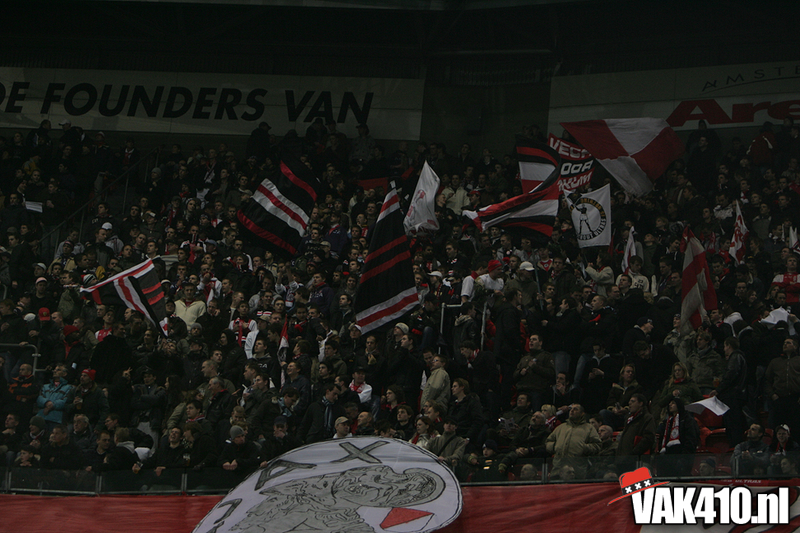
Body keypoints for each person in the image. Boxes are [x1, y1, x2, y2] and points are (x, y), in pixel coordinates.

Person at [545, 403, 601, 479]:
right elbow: (548, 442)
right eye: (571, 409)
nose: (572, 411)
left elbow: (597, 445)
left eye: (575, 409)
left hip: (577, 470)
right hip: (558, 468)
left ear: (582, 413)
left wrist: (583, 448)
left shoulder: (589, 428)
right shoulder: (561, 427)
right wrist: (555, 446)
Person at [710, 337, 748, 447]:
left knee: (733, 425)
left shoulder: (735, 357)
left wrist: (719, 389)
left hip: (732, 397)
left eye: (725, 346)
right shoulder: (740, 357)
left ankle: (735, 447)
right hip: (736, 395)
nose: (724, 349)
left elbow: (731, 375)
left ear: (729, 346)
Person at [655, 398, 700, 477]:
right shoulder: (667, 422)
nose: (670, 405)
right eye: (669, 403)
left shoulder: (687, 420)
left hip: (682, 458)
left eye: (673, 403)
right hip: (667, 459)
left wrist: (684, 457)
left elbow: (691, 439)